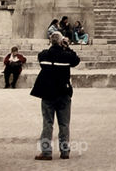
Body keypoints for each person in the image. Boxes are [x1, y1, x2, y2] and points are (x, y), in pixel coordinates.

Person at [32, 32, 80, 160]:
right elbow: (76, 60)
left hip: (48, 93)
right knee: (64, 124)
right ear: (61, 42)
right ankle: (65, 151)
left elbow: (41, 57)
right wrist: (67, 47)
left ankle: (46, 152)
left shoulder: (43, 55)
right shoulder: (66, 56)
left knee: (47, 123)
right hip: (63, 93)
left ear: (50, 41)